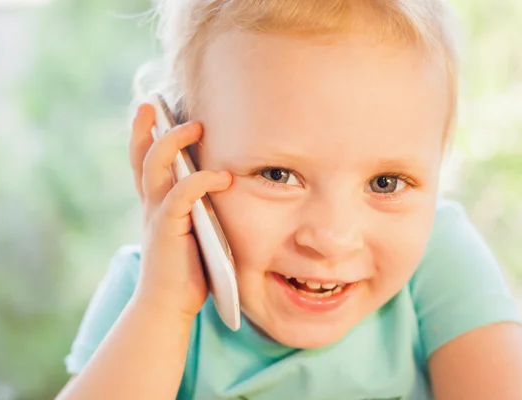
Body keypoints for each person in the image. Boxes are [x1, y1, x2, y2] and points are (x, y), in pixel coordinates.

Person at [56, 0, 522, 398]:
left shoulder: (439, 260)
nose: (332, 239)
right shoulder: (150, 291)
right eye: (278, 175)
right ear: (177, 159)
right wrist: (163, 305)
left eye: (386, 183)